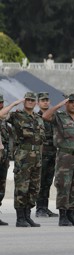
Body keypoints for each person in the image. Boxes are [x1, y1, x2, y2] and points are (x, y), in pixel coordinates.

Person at [0, 92, 44, 227]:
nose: (30, 102)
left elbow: (41, 140)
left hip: (37, 156)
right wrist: (14, 103)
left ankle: (27, 216)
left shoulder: (38, 118)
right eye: (28, 100)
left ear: (36, 103)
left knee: (34, 188)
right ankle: (20, 218)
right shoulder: (17, 115)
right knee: (22, 187)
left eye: (32, 100)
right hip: (23, 156)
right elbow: (1, 114)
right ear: (24, 102)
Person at [42, 94, 74, 227]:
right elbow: (45, 116)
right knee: (63, 185)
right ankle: (62, 216)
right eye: (71, 102)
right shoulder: (60, 116)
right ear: (66, 104)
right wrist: (58, 105)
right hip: (65, 156)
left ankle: (70, 214)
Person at [36, 92, 59, 218]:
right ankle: (40, 208)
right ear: (38, 103)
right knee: (41, 181)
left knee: (48, 181)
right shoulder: (36, 117)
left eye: (47, 100)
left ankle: (45, 207)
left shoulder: (53, 117)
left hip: (53, 152)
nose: (45, 102)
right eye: (43, 100)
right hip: (43, 152)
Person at [0, 94, 12, 226]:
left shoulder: (4, 121)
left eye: (2, 103)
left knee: (1, 188)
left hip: (4, 159)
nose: (0, 105)